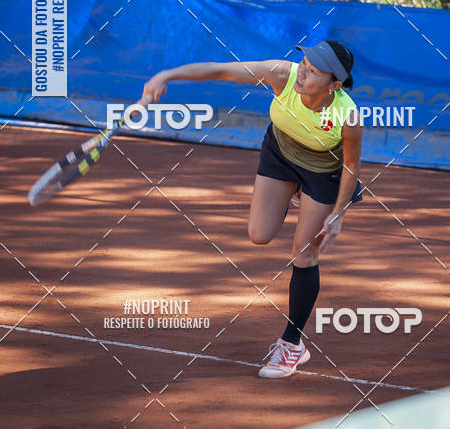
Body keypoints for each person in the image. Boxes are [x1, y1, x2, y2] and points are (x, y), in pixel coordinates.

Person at [141, 39, 363, 379]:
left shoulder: (347, 114)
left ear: (334, 84)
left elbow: (350, 166)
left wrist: (339, 213)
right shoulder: (282, 75)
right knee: (259, 234)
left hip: (323, 173)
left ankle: (292, 344)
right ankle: (295, 190)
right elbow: (222, 70)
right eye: (304, 62)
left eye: (314, 70)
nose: (303, 71)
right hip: (280, 154)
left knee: (303, 254)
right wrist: (167, 73)